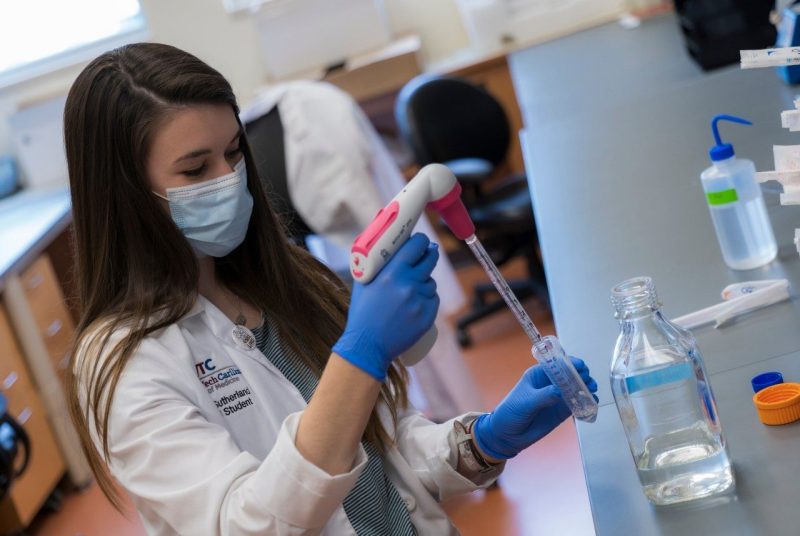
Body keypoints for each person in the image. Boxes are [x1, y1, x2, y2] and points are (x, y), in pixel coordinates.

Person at [65, 43, 598, 535]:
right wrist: (360, 357)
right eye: (196, 168)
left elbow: (381, 455)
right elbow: (245, 525)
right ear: (125, 193)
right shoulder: (127, 362)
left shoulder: (283, 280)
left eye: (233, 153)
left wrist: (480, 442)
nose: (229, 178)